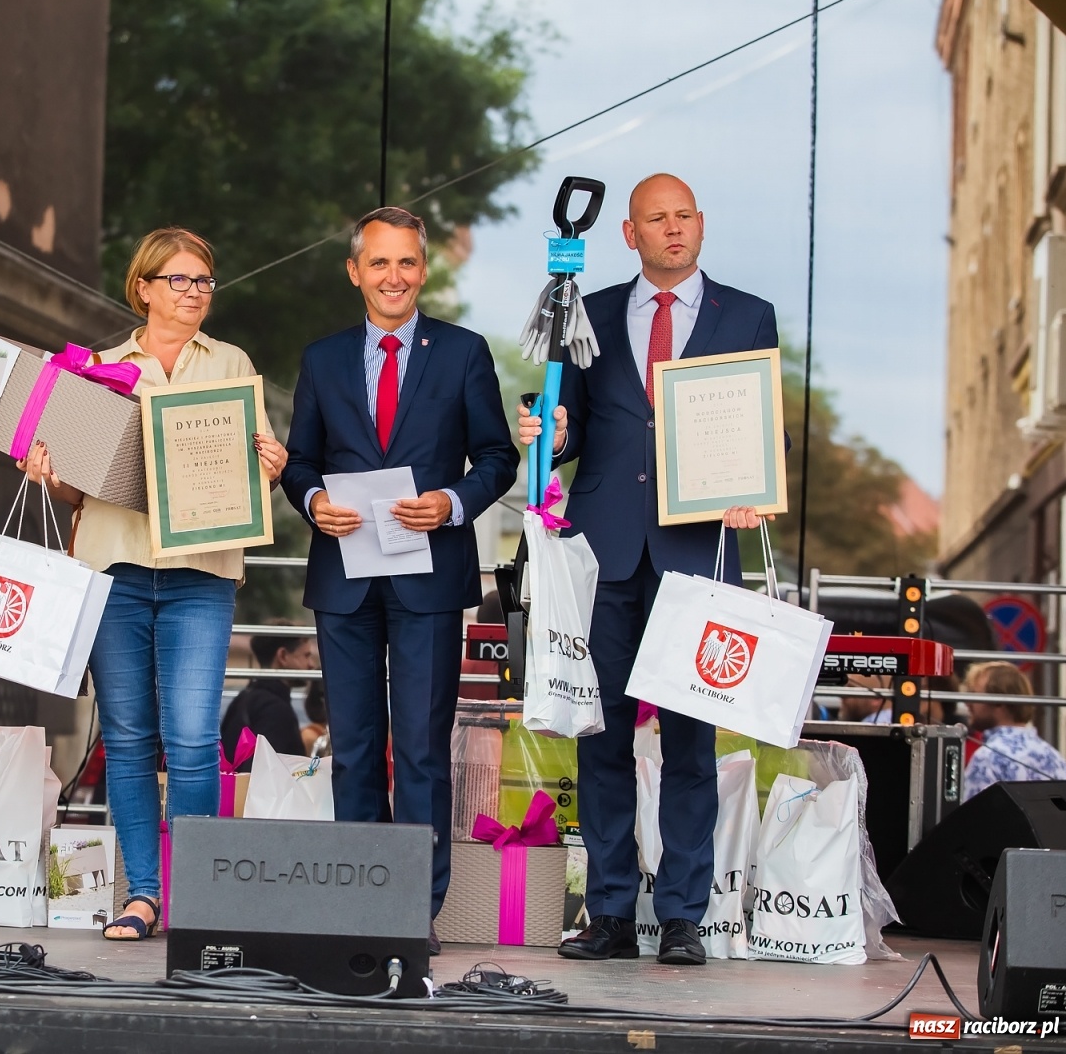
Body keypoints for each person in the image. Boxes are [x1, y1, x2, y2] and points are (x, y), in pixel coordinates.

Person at [518, 174, 779, 966]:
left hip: (696, 551)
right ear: (629, 234)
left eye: (684, 216)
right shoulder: (587, 312)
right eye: (656, 219)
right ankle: (607, 913)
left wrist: (753, 488)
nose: (673, 229)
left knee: (691, 742)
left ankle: (683, 918)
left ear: (701, 224)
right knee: (600, 737)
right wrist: (548, 430)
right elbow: (570, 434)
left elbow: (764, 429)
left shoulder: (748, 314)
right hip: (604, 551)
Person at [18, 227, 289, 940]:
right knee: (130, 739)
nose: (195, 293)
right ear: (143, 287)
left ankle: (195, 899)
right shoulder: (100, 368)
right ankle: (143, 896)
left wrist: (270, 468)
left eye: (204, 281)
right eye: (180, 280)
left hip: (201, 573)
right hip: (116, 571)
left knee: (194, 738)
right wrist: (50, 472)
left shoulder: (231, 363)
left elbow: (251, 478)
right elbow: (78, 491)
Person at [282, 206, 519, 954]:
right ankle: (363, 902)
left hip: (429, 574)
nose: (394, 276)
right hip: (346, 575)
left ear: (423, 270)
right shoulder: (322, 358)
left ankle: (415, 908)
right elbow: (298, 462)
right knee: (354, 747)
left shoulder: (464, 352)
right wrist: (313, 501)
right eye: (379, 262)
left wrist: (452, 503)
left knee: (420, 748)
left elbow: (498, 456)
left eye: (407, 262)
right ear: (355, 271)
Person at [962, 661, 1066, 800]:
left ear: (999, 701)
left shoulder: (987, 758)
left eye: (974, 694)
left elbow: (972, 813)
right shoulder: (1055, 758)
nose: (967, 703)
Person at [220, 622, 318, 764]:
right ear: (283, 656)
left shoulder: (244, 698)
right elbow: (269, 768)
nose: (311, 664)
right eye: (306, 655)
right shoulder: (275, 709)